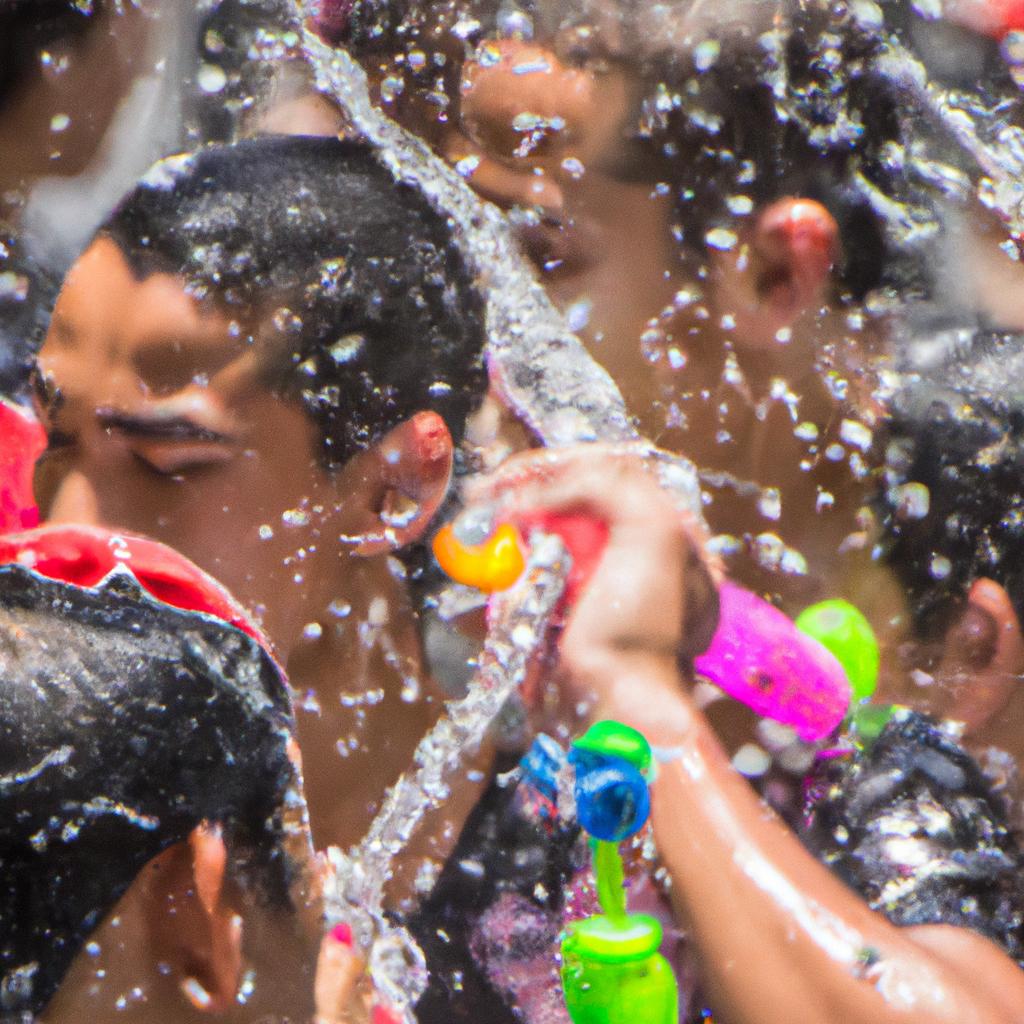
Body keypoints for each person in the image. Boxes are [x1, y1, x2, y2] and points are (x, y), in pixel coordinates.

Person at [26, 132, 490, 1019]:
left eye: (167, 465)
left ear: (394, 486)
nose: (68, 531)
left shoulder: (573, 873)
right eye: (57, 443)